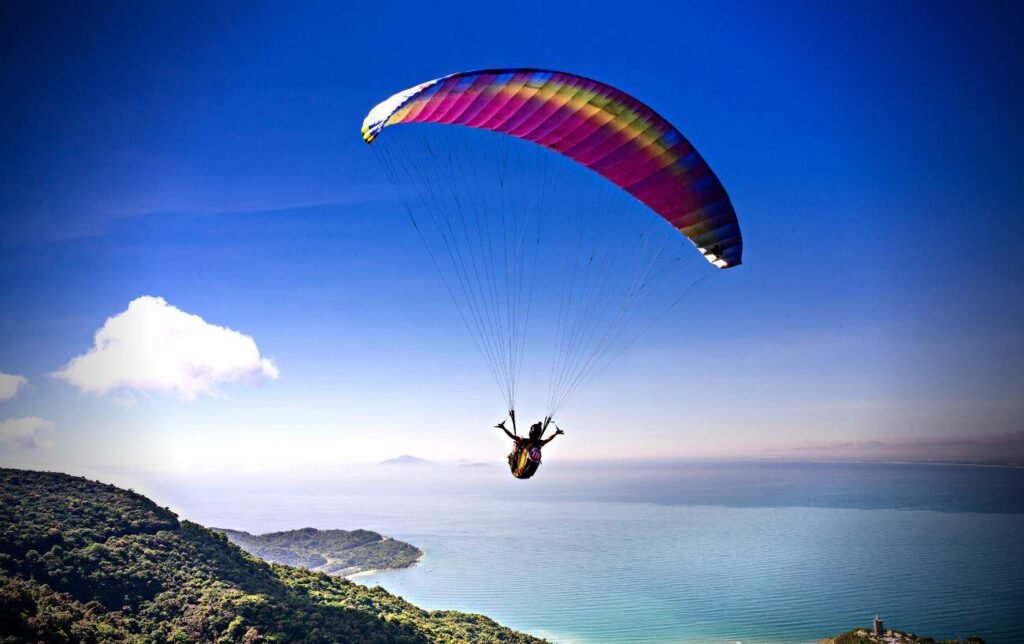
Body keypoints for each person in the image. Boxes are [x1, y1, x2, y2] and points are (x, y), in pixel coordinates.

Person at [495, 413, 564, 479]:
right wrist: (556, 433)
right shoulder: (540, 443)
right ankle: (525, 459)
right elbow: (549, 439)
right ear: (538, 434)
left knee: (518, 448)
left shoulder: (523, 441)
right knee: (525, 448)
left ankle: (521, 459)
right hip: (528, 473)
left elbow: (511, 436)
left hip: (518, 472)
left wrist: (503, 428)